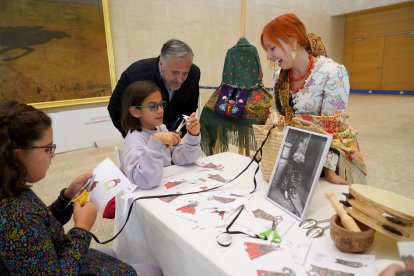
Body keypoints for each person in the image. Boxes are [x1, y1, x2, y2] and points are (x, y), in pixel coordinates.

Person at [0, 100, 162, 275]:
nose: (53, 154)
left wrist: (66, 197)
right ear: (17, 155)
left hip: (59, 254)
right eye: (48, 148)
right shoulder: (17, 215)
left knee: (117, 255)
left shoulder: (12, 192)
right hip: (66, 264)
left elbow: (39, 227)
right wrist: (82, 228)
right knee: (153, 270)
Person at [260, 13, 367, 185]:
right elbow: (277, 118)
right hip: (294, 154)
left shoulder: (332, 73)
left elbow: (333, 128)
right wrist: (264, 150)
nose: (268, 57)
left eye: (272, 48)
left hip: (327, 159)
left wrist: (329, 170)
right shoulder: (280, 74)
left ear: (292, 41)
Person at [108, 38, 200, 138]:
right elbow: (115, 108)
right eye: (174, 72)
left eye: (185, 73)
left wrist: (179, 134)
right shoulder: (136, 74)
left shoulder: (194, 73)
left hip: (171, 126)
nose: (180, 79)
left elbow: (189, 110)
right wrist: (134, 137)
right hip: (142, 131)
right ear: (161, 64)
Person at [120, 80, 202, 189]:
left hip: (164, 186)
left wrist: (193, 135)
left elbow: (183, 158)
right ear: (135, 111)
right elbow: (145, 181)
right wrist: (156, 141)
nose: (160, 111)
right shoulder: (134, 140)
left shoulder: (160, 128)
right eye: (153, 107)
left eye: (161, 104)